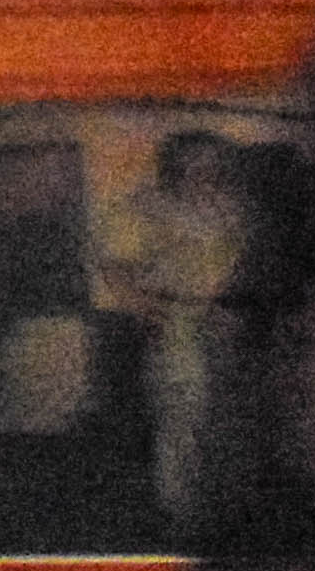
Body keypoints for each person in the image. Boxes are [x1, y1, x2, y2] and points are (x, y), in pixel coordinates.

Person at [95, 129, 274, 543]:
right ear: (174, 165)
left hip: (231, 322)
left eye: (212, 163)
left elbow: (248, 266)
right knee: (183, 416)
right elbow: (116, 270)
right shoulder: (146, 208)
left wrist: (236, 308)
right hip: (176, 322)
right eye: (194, 162)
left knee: (230, 419)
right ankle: (183, 517)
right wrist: (153, 312)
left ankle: (228, 512)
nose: (203, 171)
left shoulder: (234, 209)